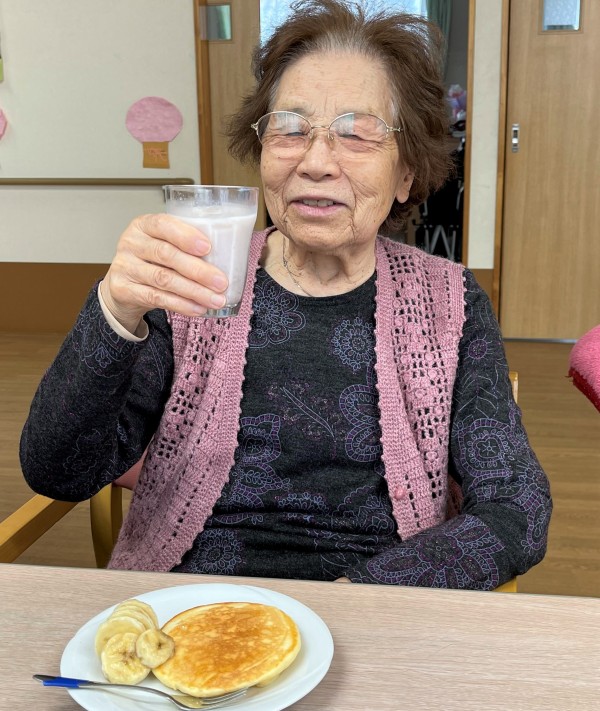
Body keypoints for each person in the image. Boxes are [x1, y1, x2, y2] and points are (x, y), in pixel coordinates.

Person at [20, 0, 551, 588]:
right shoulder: (197, 281)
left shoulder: (449, 301)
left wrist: (361, 598)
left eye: (357, 133)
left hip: (375, 608)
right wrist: (116, 311)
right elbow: (59, 471)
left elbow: (516, 507)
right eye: (291, 129)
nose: (316, 162)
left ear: (406, 174)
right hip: (189, 605)